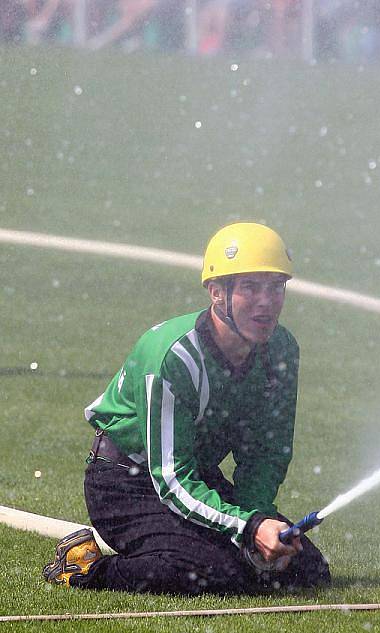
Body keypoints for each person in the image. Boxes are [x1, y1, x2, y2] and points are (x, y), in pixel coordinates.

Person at [43, 222, 331, 595]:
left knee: (305, 568)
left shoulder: (282, 350)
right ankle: (85, 568)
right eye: (250, 287)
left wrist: (256, 517)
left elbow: (266, 453)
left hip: (197, 476)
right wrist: (248, 528)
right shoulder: (173, 357)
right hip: (125, 483)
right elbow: (172, 479)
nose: (267, 301)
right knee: (215, 572)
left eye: (276, 287)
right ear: (216, 292)